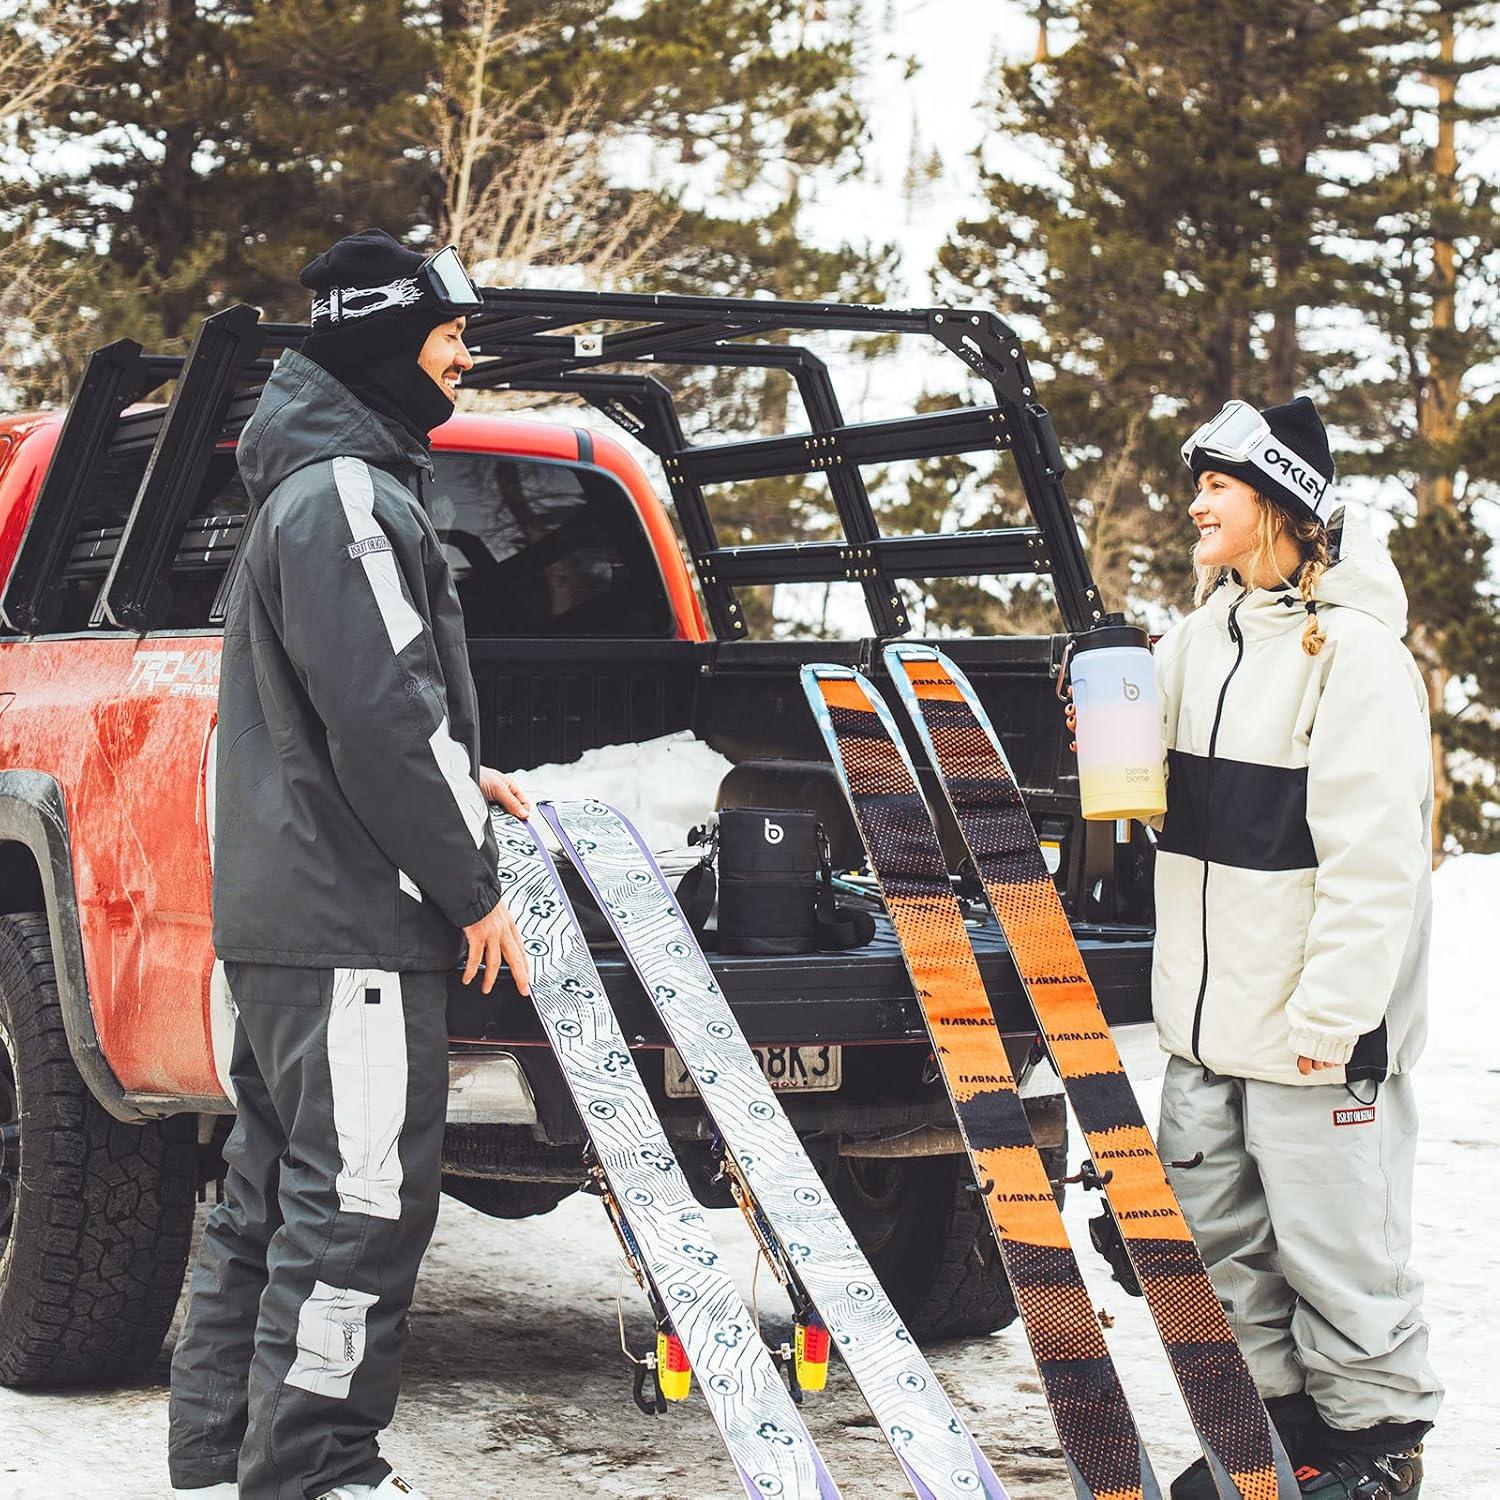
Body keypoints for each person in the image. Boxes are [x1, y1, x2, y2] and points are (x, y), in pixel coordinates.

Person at [167, 229, 533, 1500]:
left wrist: (458, 773)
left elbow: (341, 712)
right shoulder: (346, 494)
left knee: (270, 1201)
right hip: (351, 932)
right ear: (388, 342)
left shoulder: (310, 486)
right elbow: (385, 715)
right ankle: (317, 1472)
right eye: (448, 338)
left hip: (290, 923)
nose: (462, 358)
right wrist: (472, 881)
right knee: (359, 1211)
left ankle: (223, 1466)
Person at [1114, 396, 1441, 1498]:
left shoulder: (1354, 657)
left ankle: (1373, 1457)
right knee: (1223, 1261)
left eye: (1216, 483)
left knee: (1335, 1256)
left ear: (1283, 504)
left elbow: (1376, 865)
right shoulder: (1199, 642)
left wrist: (1333, 1019)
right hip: (1211, 1029)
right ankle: (1272, 1447)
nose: (1194, 501)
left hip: (1311, 1032)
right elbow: (1143, 797)